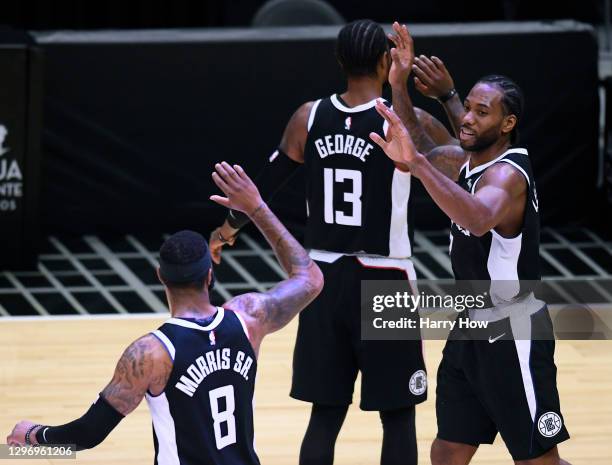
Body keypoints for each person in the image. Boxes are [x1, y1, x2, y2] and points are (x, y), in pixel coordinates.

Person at [209, 20, 435, 465]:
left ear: (338, 61)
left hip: (322, 280)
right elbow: (446, 159)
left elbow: (266, 184)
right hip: (386, 275)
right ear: (385, 60)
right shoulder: (400, 122)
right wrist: (409, 87)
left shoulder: (308, 116)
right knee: (398, 416)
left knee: (325, 414)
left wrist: (226, 230)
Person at [6, 162, 324, 465]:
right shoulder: (249, 318)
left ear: (160, 276)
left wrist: (34, 436)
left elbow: (88, 434)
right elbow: (310, 277)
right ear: (209, 276)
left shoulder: (150, 354)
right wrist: (255, 208)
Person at [369, 47, 572, 463]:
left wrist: (419, 165)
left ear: (508, 124)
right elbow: (417, 142)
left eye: (482, 112)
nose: (467, 118)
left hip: (510, 330)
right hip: (470, 326)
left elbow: (477, 218)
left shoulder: (507, 176)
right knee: (447, 451)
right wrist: (399, 83)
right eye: (469, 109)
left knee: (537, 459)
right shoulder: (472, 161)